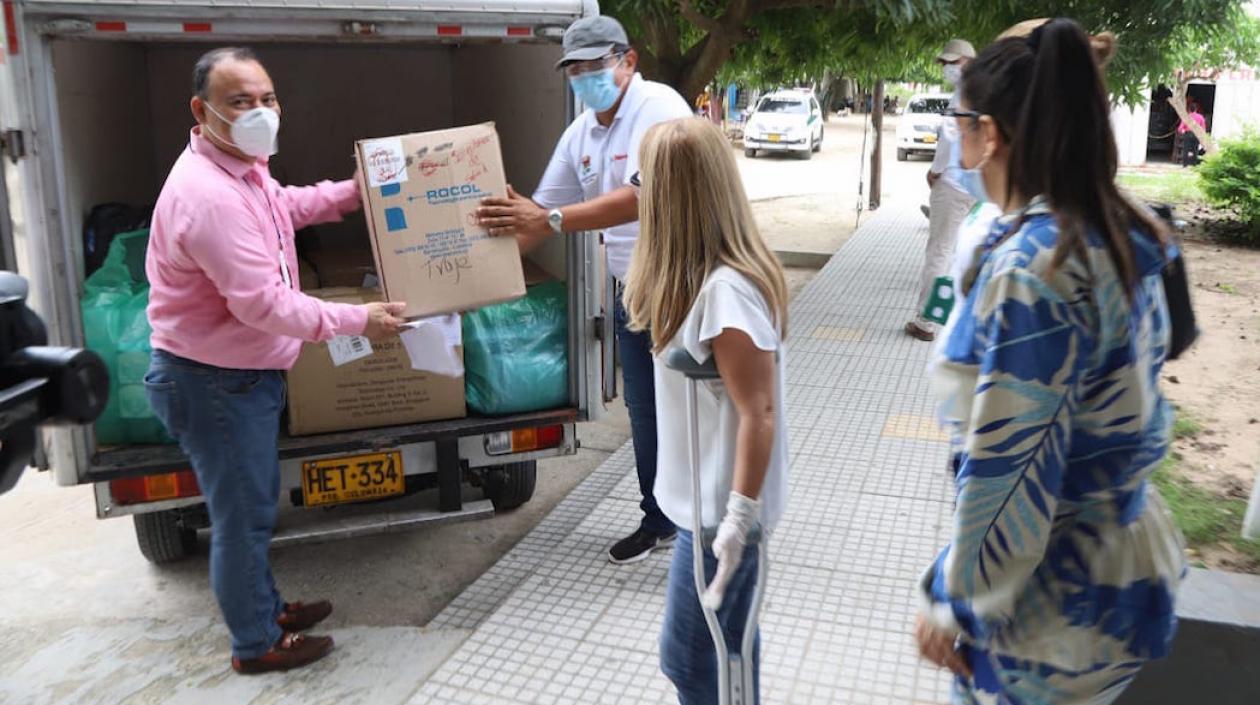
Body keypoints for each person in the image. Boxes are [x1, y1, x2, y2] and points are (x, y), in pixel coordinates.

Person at [915, 19, 1186, 704]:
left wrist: (956, 601)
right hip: (1119, 570)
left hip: (1051, 604)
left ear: (990, 135)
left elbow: (1012, 471)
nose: (955, 134)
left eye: (960, 119)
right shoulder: (1115, 224)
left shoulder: (1036, 266)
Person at [144, 47, 406, 674]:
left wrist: (356, 191)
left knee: (249, 509)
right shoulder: (209, 196)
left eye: (267, 98)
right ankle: (255, 644)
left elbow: (286, 207)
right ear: (201, 110)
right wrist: (358, 319)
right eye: (241, 101)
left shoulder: (243, 168)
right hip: (213, 382)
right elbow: (261, 305)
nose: (260, 112)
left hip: (233, 376)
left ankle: (265, 608)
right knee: (244, 520)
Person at [475, 16, 693, 565]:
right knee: (645, 412)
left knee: (691, 408)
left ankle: (706, 525)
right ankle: (659, 518)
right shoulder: (581, 134)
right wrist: (466, 280)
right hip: (632, 291)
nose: (586, 77)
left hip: (684, 288)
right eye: (576, 69)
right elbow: (536, 217)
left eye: (597, 65)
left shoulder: (660, 109)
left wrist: (547, 217)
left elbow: (643, 196)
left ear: (628, 61)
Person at [622, 117, 789, 705]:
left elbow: (759, 411)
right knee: (716, 653)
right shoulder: (698, 281)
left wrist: (739, 522)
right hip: (704, 512)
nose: (638, 194)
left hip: (721, 517)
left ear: (673, 195)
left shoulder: (726, 293)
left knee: (702, 663)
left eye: (646, 182)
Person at [906, 39, 977, 343]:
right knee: (956, 253)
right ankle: (945, 316)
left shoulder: (964, 94)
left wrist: (935, 171)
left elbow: (949, 140)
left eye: (953, 62)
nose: (948, 68)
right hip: (975, 184)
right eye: (945, 63)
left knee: (940, 252)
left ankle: (927, 322)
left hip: (953, 182)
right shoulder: (985, 91)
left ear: (968, 61)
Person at [1177, 101, 1207, 167]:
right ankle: (1194, 165)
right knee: (1195, 150)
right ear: (1196, 109)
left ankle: (1185, 165)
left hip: (1188, 134)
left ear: (1189, 109)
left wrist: (1183, 131)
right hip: (1196, 134)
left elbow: (1180, 128)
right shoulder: (1200, 117)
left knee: (1186, 149)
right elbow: (1203, 128)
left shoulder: (1187, 117)